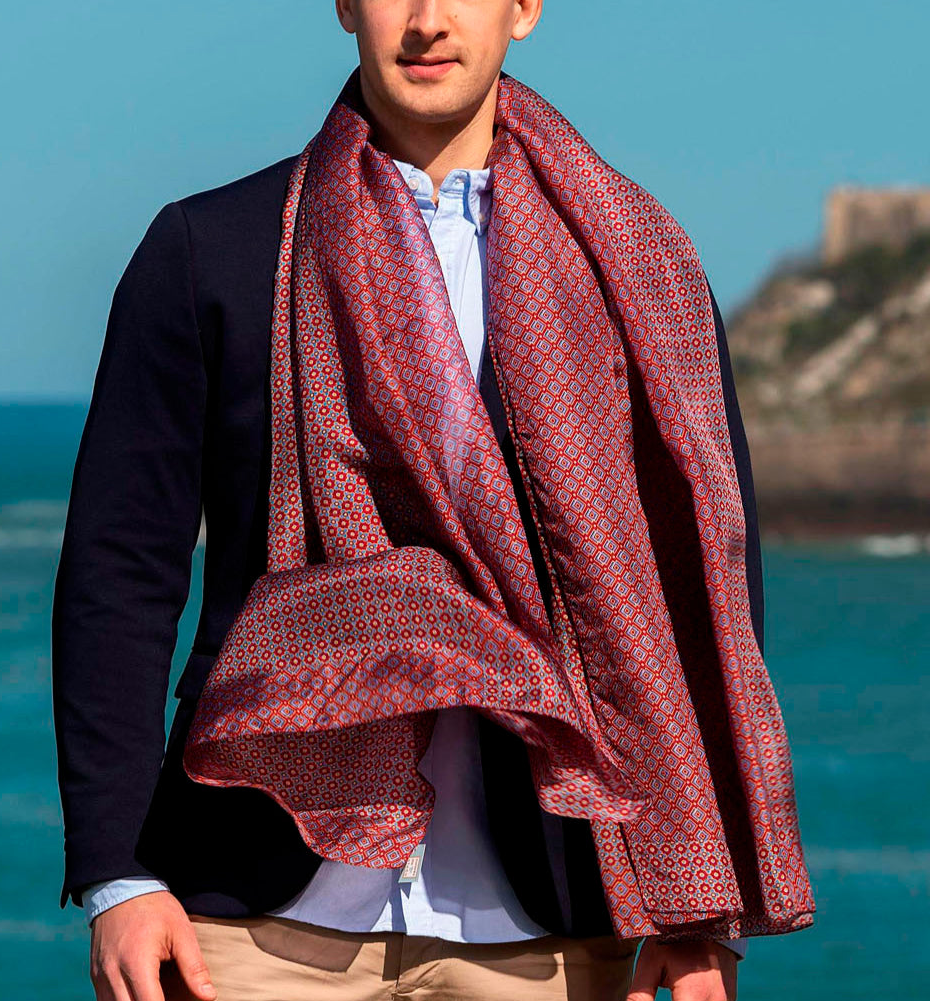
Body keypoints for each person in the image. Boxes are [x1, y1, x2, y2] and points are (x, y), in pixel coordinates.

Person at [52, 2, 814, 999]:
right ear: (341, 6)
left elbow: (705, 584)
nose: (424, 19)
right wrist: (118, 871)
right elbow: (120, 571)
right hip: (249, 911)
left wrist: (697, 911)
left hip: (547, 910)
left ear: (523, 8)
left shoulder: (636, 263)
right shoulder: (213, 248)